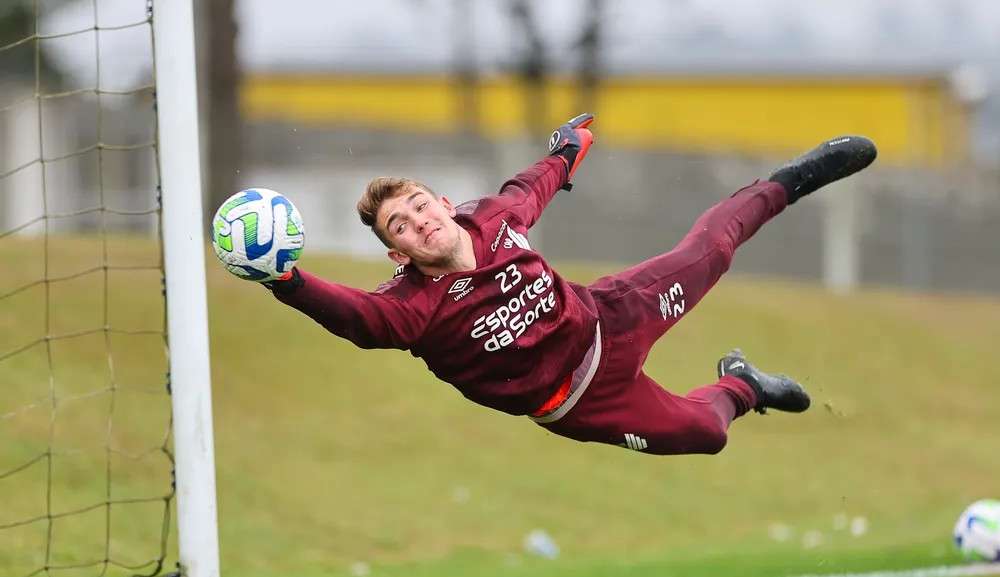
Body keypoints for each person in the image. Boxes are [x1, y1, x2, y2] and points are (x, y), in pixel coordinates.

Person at [264, 114, 877, 455]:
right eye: (402, 224)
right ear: (397, 251)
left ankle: (797, 177)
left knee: (710, 249)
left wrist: (564, 151)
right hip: (582, 403)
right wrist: (286, 280)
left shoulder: (490, 219)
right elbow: (353, 318)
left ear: (444, 203)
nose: (420, 221)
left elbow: (528, 188)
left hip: (612, 319)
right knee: (707, 433)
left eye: (421, 205)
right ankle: (741, 384)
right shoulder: (408, 309)